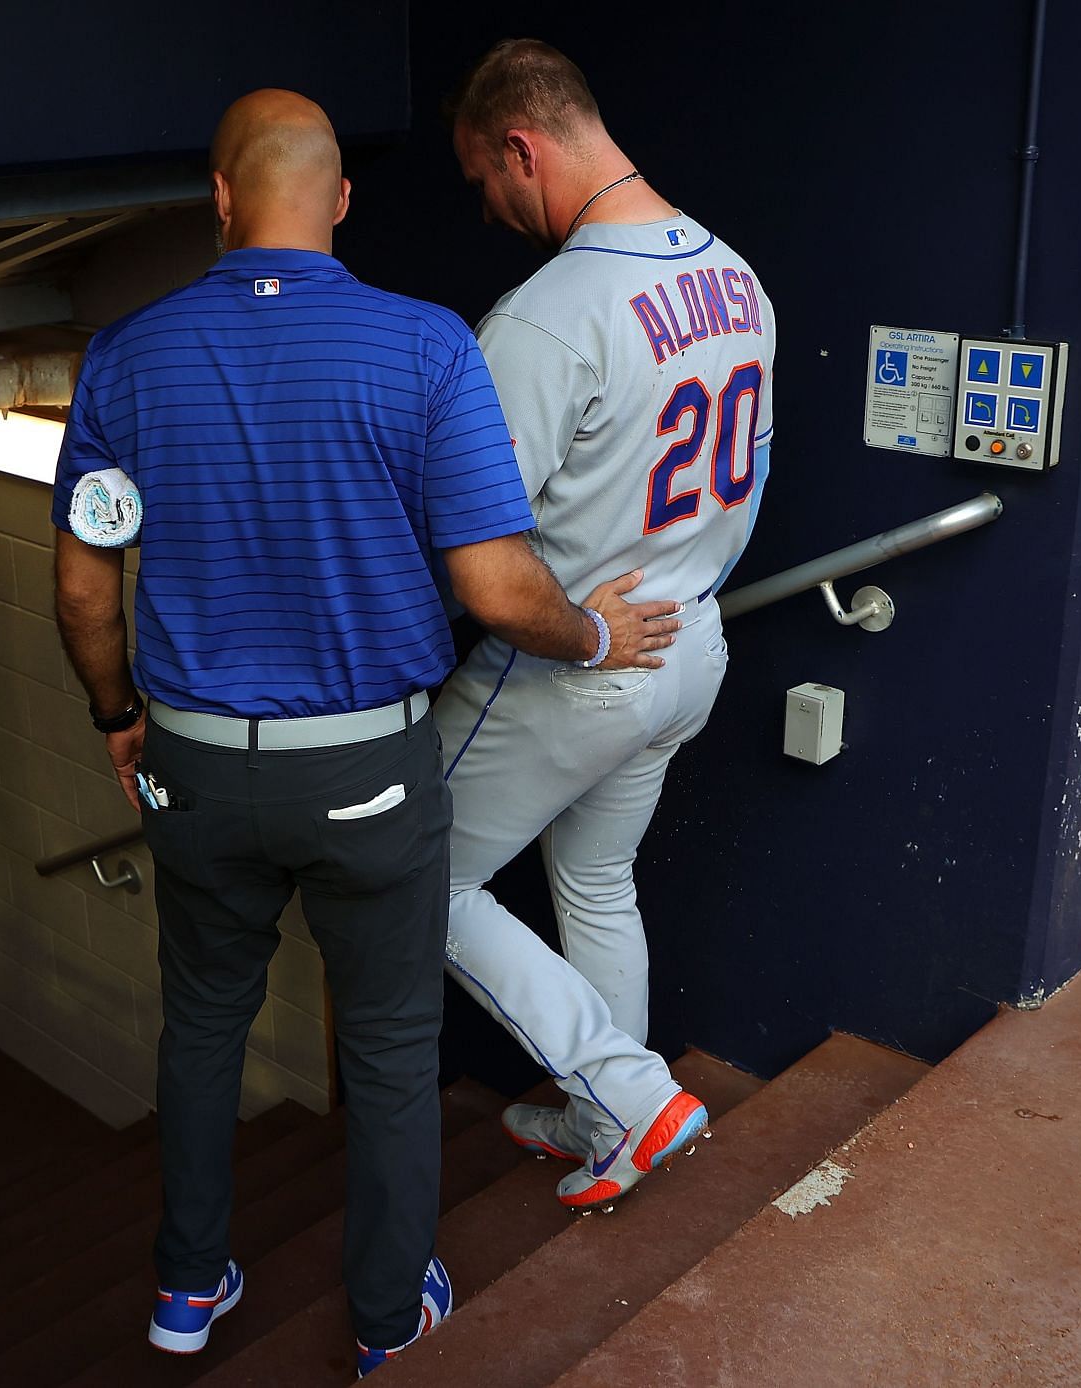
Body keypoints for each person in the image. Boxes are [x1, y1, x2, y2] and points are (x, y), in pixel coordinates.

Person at [52, 88, 678, 1376]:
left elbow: (79, 583)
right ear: (340, 201)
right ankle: (392, 1319)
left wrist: (119, 717)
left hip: (193, 766)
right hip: (371, 773)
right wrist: (607, 636)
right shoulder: (428, 347)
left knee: (203, 1026)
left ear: (221, 199)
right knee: (391, 1051)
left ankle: (187, 1290)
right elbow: (498, 588)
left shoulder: (120, 357)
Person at [435, 39, 777, 1210]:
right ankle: (608, 1117)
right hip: (693, 639)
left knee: (413, 873)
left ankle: (630, 1099)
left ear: (523, 146)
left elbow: (483, 566)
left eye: (487, 177)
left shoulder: (543, 316)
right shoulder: (740, 277)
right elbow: (750, 493)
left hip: (580, 658)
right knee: (597, 881)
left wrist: (583, 628)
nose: (488, 205)